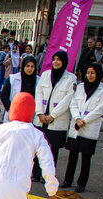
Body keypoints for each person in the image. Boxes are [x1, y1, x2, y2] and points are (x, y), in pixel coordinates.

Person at [61, 63, 103, 193]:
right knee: (72, 155)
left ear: (98, 74)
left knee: (86, 157)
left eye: (93, 73)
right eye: (88, 72)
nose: (90, 75)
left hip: (89, 127)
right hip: (77, 125)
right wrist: (77, 118)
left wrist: (85, 120)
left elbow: (100, 109)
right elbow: (73, 103)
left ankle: (81, 183)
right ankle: (68, 180)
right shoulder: (80, 87)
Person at [32, 51, 77, 181]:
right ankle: (36, 173)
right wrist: (40, 113)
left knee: (53, 150)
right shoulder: (45, 75)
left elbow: (68, 99)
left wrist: (53, 115)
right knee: (38, 147)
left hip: (56, 120)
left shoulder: (71, 79)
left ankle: (48, 175)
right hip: (41, 119)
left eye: (59, 60)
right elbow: (38, 93)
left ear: (64, 62)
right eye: (54, 59)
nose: (56, 62)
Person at [0, 55, 39, 122]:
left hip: (30, 117)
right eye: (27, 66)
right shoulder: (13, 78)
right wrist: (10, 108)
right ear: (23, 66)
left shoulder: (38, 81)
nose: (29, 69)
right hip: (14, 114)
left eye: (32, 66)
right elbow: (3, 95)